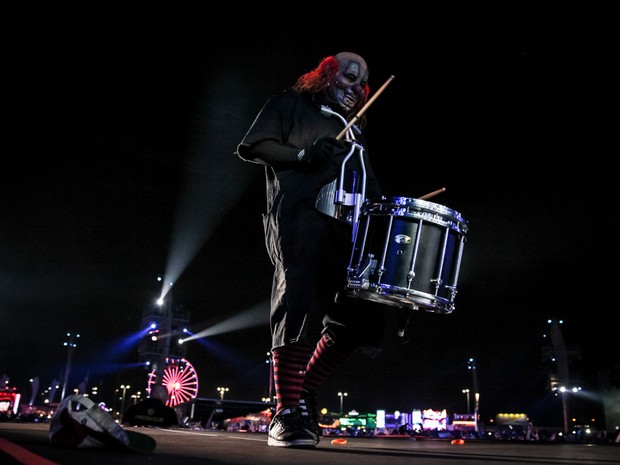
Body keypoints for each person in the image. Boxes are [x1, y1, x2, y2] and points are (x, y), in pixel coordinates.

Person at [236, 52, 387, 448]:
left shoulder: (355, 130)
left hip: (352, 231)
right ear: (325, 74)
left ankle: (301, 391)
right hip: (302, 216)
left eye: (362, 83)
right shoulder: (290, 105)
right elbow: (255, 145)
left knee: (364, 315)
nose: (356, 88)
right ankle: (285, 413)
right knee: (298, 300)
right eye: (349, 78)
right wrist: (302, 155)